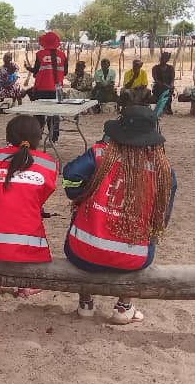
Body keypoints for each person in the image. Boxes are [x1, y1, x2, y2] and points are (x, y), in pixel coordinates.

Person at [62, 106, 177, 323]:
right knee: (148, 236)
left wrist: (79, 195)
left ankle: (85, 302)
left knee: (82, 213)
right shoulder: (164, 171)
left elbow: (70, 177)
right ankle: (124, 307)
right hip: (133, 259)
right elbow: (162, 219)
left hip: (83, 252)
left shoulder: (99, 154)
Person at [0, 115, 57, 295]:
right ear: (38, 137)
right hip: (30, 243)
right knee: (30, 212)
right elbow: (40, 198)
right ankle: (26, 284)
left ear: (8, 136)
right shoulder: (49, 164)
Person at [29, 31, 68, 141]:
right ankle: (54, 138)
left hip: (42, 89)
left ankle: (37, 136)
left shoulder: (40, 54)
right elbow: (65, 72)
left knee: (39, 114)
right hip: (57, 89)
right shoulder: (62, 55)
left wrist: (29, 68)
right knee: (54, 115)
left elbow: (36, 71)